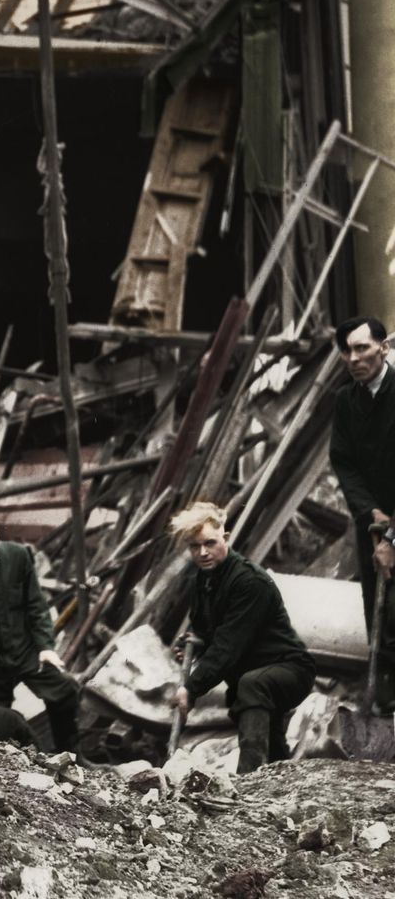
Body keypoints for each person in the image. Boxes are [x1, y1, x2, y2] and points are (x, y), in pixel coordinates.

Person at [168, 502, 315, 774]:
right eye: (194, 546)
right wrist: (193, 643)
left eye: (210, 543)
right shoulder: (205, 579)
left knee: (250, 686)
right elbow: (204, 628)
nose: (202, 552)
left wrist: (191, 688)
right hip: (252, 675)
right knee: (267, 734)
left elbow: (228, 645)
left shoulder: (249, 582)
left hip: (289, 669)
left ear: (225, 538)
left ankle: (249, 780)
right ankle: (278, 778)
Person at [0, 509, 80, 752]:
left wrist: (45, 648)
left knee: (65, 689)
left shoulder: (18, 555)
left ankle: (71, 756)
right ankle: (15, 766)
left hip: (25, 653)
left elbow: (36, 605)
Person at [329, 316, 395, 714]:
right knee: (378, 605)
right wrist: (371, 516)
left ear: (383, 348)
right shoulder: (345, 401)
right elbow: (343, 461)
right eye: (347, 351)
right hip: (369, 517)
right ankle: (385, 703)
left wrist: (391, 537)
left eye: (362, 348)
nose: (353, 358)